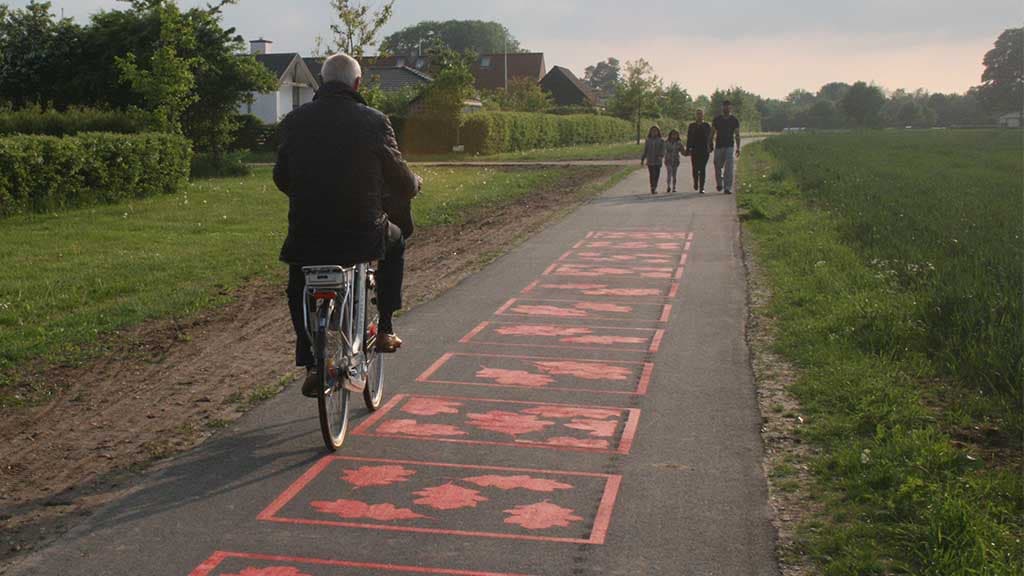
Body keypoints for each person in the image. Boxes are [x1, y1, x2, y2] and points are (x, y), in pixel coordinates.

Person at [273, 52, 421, 398]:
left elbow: (282, 177)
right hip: (362, 233)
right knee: (396, 242)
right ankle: (384, 327)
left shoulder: (294, 121)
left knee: (299, 283)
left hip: (307, 235)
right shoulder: (374, 120)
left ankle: (311, 361)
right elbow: (399, 177)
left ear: (322, 82)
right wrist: (415, 183)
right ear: (357, 84)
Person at [711, 100, 741, 194]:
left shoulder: (734, 120)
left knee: (729, 167)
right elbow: (712, 133)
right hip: (719, 145)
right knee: (717, 165)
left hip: (729, 146)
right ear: (722, 107)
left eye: (728, 106)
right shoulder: (717, 119)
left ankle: (727, 187)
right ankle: (719, 183)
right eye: (724, 106)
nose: (726, 108)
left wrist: (738, 148)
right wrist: (710, 143)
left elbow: (737, 134)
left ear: (730, 108)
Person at [686, 109, 713, 194]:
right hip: (694, 149)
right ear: (695, 115)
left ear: (703, 115)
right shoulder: (692, 125)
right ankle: (695, 181)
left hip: (704, 149)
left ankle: (702, 187)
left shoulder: (707, 125)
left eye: (701, 114)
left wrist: (711, 147)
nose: (699, 115)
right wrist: (688, 149)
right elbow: (689, 138)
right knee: (695, 168)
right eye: (697, 114)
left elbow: (710, 137)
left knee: (702, 168)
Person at [640, 125, 666, 194]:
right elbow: (645, 150)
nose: (654, 132)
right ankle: (652, 187)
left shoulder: (661, 140)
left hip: (658, 161)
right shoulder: (648, 140)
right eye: (652, 131)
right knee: (652, 174)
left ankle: (655, 186)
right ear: (650, 132)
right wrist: (643, 158)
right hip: (650, 161)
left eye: (655, 131)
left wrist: (661, 155)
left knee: (657, 174)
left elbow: (663, 150)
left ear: (658, 132)